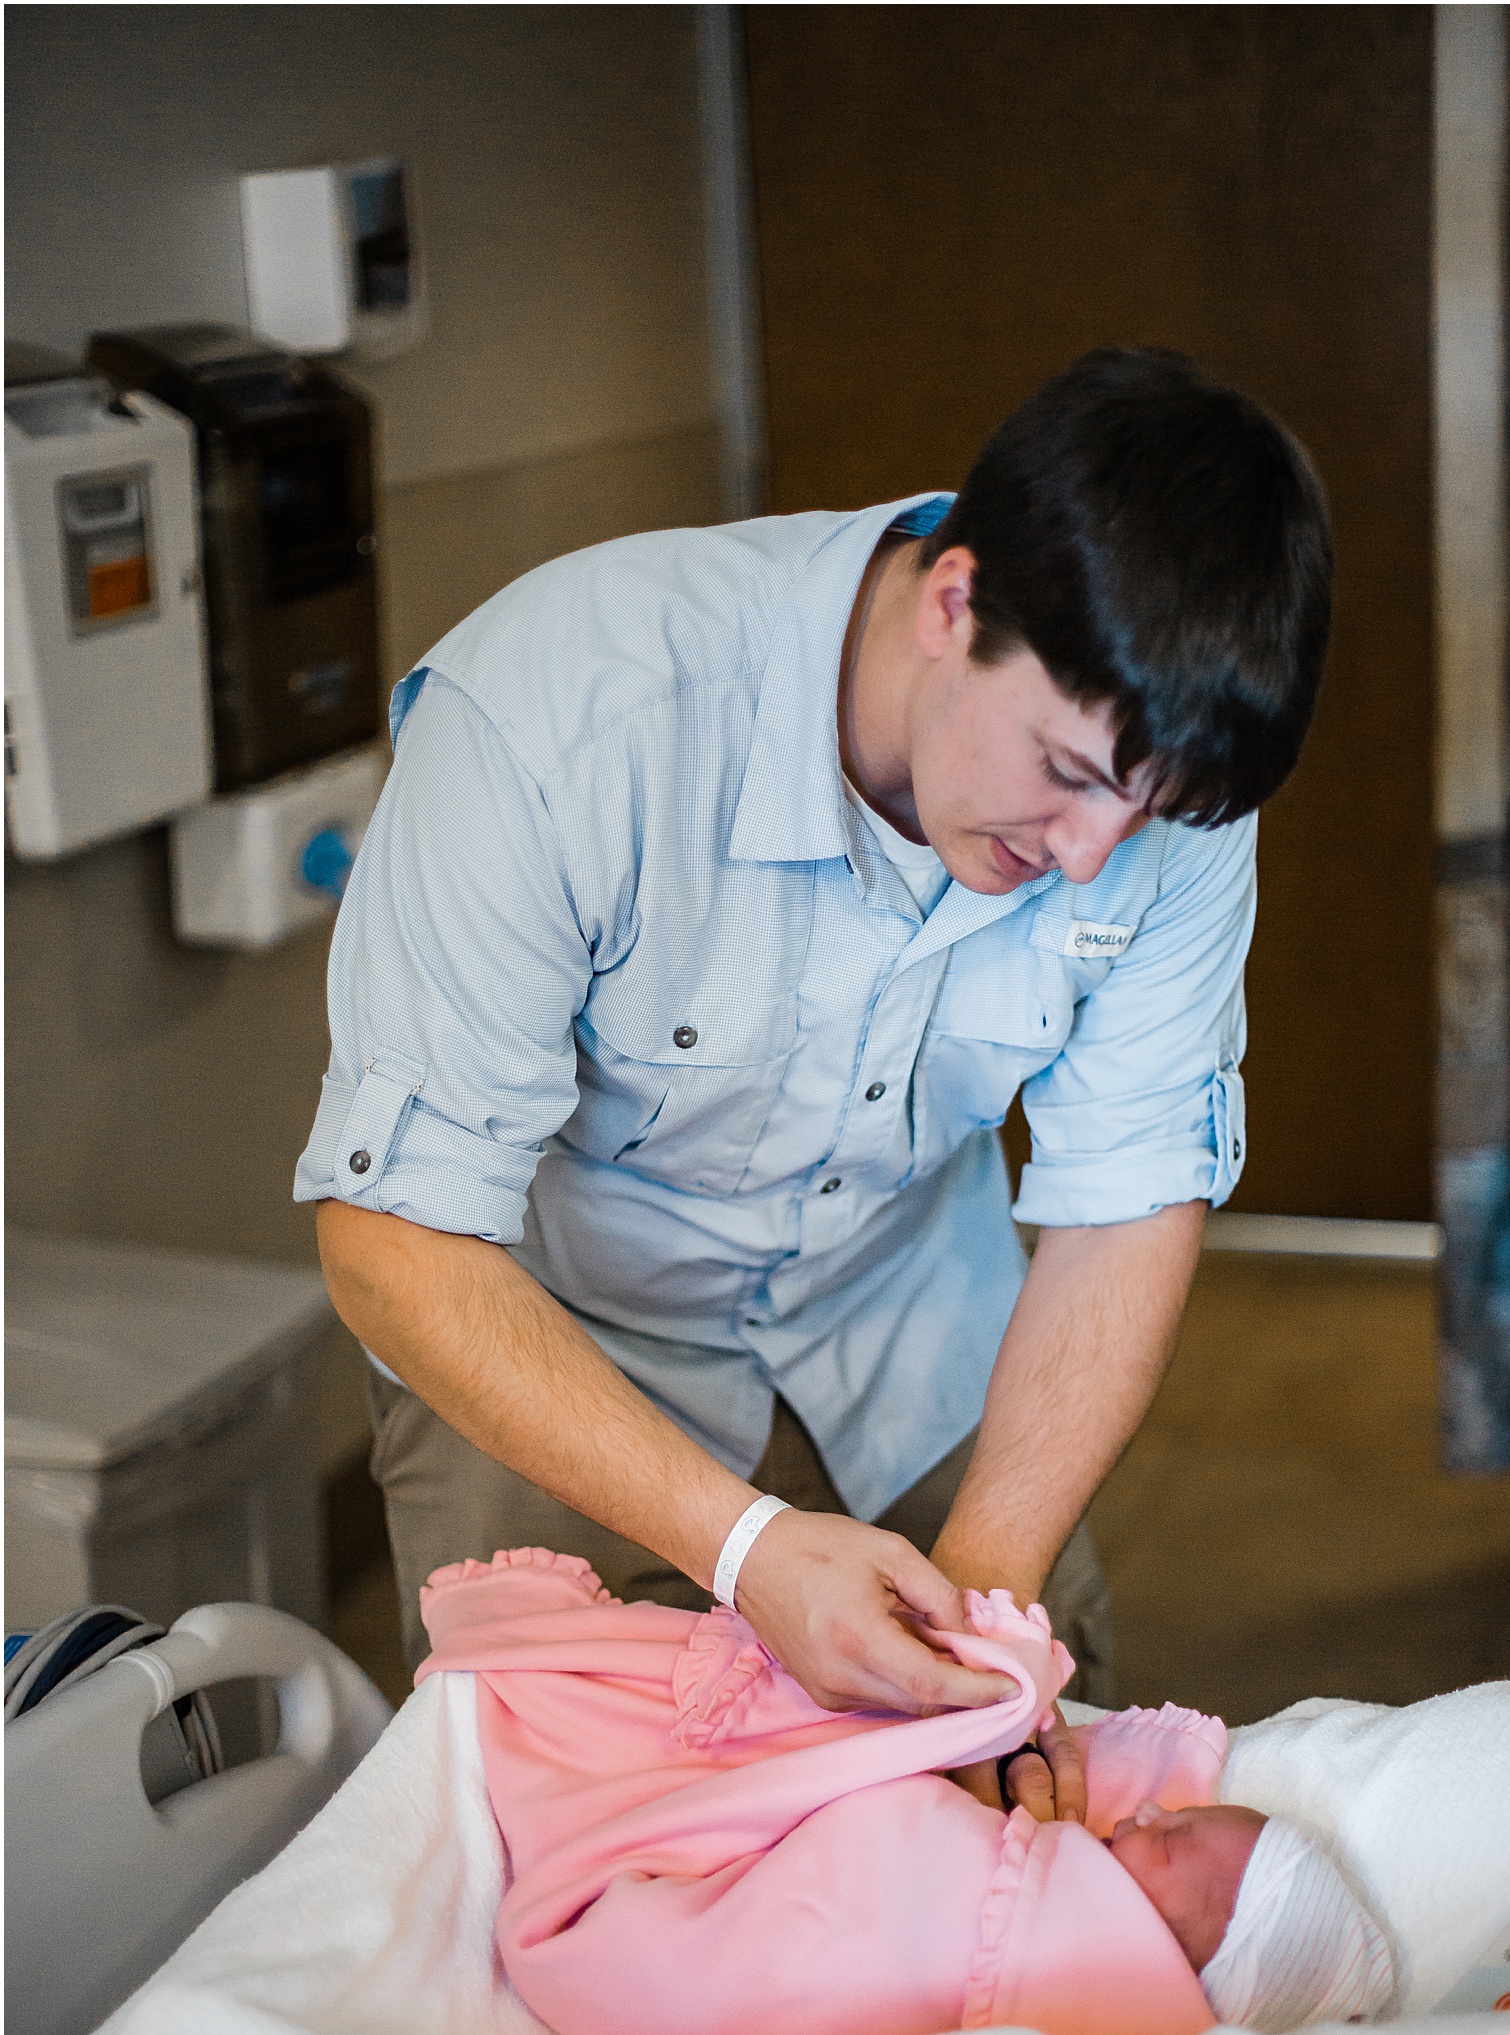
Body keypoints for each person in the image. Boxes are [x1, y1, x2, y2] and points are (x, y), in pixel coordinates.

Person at [297, 348, 1333, 1736]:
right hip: (554, 1345)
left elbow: (1127, 1201)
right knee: (575, 1829)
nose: (1094, 860)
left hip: (909, 1324)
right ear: (955, 603)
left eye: (1143, 817)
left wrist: (980, 1619)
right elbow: (393, 1242)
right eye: (1069, 777)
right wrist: (744, 1549)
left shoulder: (1161, 782)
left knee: (1008, 1805)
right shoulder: (567, 727)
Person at [414, 1546, 1394, 2035]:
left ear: (1191, 1945)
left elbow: (885, 1859)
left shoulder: (1057, 1980)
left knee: (850, 1715)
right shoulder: (1053, 1886)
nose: (1143, 1817)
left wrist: (964, 1751)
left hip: (660, 1966)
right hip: (705, 1950)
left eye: (1175, 1838)